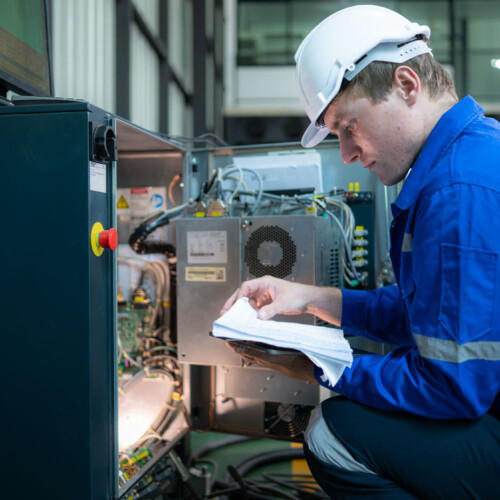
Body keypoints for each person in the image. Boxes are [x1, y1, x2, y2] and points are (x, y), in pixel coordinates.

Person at [220, 4, 500, 499]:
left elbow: (452, 385)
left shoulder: (456, 191)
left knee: (331, 433)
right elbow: (431, 313)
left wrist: (314, 368)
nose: (346, 153)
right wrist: (308, 298)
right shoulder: (473, 155)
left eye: (349, 127)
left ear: (407, 86)